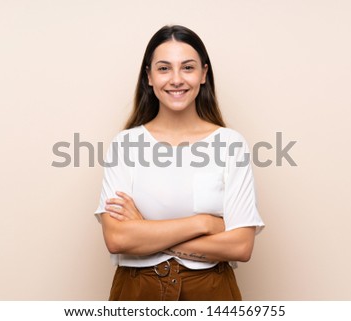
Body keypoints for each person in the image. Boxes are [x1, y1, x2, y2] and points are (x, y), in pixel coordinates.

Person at [94, 25, 264, 301]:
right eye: (163, 68)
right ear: (148, 76)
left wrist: (146, 232)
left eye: (187, 67)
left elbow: (241, 246)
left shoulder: (230, 144)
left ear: (203, 74)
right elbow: (117, 240)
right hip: (137, 292)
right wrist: (204, 223)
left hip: (210, 291)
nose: (176, 79)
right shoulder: (125, 144)